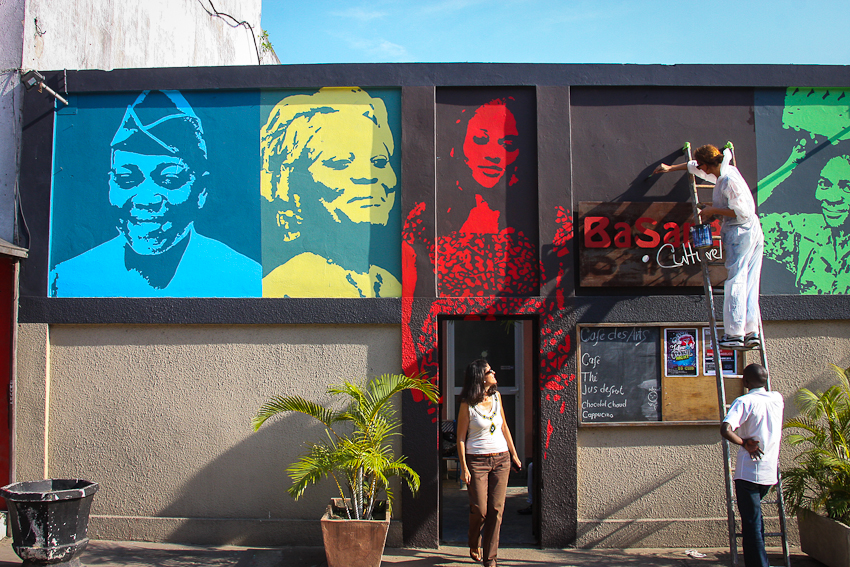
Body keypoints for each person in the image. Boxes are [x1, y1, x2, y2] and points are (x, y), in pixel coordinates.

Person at [49, 90, 261, 297]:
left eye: (169, 180)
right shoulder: (64, 277)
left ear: (201, 190)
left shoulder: (246, 277)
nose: (145, 199)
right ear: (110, 185)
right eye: (126, 178)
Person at [259, 87, 400, 298]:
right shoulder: (284, 290)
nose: (368, 176)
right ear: (288, 183)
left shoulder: (385, 281)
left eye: (379, 162)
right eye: (340, 162)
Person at [654, 144, 764, 349]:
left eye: (701, 166)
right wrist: (670, 168)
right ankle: (751, 331)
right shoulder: (726, 170)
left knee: (736, 280)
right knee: (751, 280)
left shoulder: (729, 181)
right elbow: (694, 168)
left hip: (741, 232)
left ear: (707, 164)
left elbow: (742, 213)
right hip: (753, 231)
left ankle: (735, 333)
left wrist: (712, 210)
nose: (700, 170)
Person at [457, 359, 522, 567]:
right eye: (489, 371)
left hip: (501, 458)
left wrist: (514, 454)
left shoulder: (497, 397)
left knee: (496, 509)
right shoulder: (467, 404)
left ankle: (490, 559)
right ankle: (473, 539)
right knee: (480, 509)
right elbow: (461, 437)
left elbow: (504, 427)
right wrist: (464, 468)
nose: (494, 373)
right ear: (480, 377)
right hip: (477, 460)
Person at [760, 148, 850, 294]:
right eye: (824, 184)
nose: (832, 198)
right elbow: (746, 213)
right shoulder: (804, 231)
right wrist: (790, 165)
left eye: (847, 187)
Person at [720, 363, 784, 567]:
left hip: (748, 472)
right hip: (769, 473)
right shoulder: (777, 399)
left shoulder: (744, 402)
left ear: (745, 381)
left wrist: (744, 442)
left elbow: (725, 429)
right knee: (756, 519)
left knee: (752, 524)